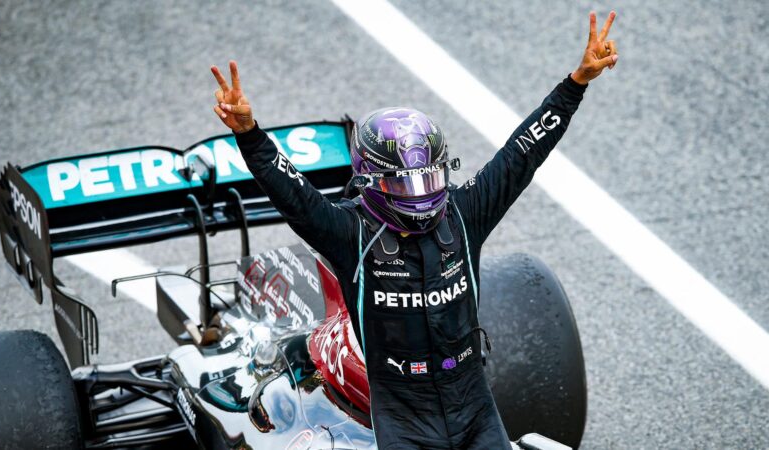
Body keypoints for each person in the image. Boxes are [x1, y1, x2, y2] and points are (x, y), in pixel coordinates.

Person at [210, 11, 617, 450]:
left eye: (428, 178)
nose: (420, 193)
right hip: (401, 418)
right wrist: (249, 134)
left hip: (474, 405)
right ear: (370, 181)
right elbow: (294, 194)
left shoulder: (465, 212)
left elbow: (523, 153)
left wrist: (575, 84)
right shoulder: (350, 233)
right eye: (404, 182)